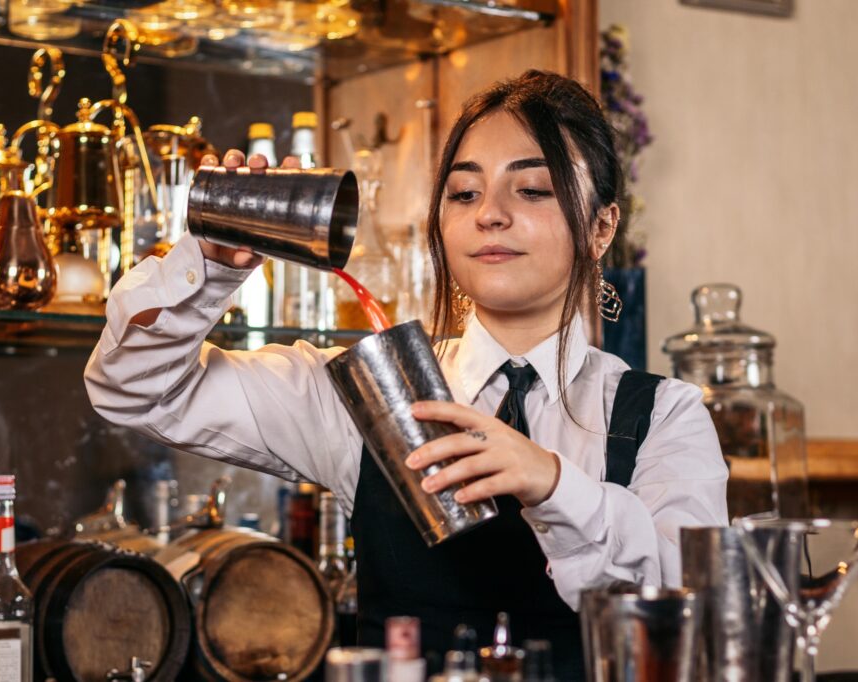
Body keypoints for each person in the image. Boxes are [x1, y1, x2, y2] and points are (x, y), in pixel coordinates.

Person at [84, 70, 727, 680]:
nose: (489, 214)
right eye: (464, 193)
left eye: (531, 190)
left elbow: (695, 615)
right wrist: (210, 267)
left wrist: (553, 483)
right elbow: (136, 388)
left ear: (601, 224)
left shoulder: (663, 415)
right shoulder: (368, 394)